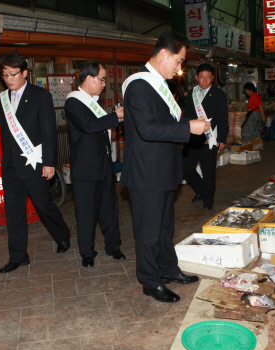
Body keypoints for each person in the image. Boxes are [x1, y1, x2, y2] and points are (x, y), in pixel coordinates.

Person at [121, 31, 211, 303]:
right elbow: (147, 129)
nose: (180, 67)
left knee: (164, 226)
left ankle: (168, 269)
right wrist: (188, 127)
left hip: (162, 170)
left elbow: (165, 124)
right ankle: (150, 281)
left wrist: (190, 126)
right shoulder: (139, 86)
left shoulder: (159, 85)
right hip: (146, 173)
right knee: (148, 232)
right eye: (179, 60)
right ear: (163, 55)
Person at [0, 52, 71, 273]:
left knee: (44, 206)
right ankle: (18, 256)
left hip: (34, 164)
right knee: (14, 212)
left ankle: (62, 236)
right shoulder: (2, 100)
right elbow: (5, 134)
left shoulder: (40, 96)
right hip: (11, 166)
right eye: (5, 75)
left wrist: (50, 163)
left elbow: (49, 131)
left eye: (13, 74)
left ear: (25, 73)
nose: (9, 79)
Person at [65, 60, 126, 268]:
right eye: (101, 79)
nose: (103, 84)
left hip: (104, 165)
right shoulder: (73, 102)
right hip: (85, 168)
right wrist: (115, 117)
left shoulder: (93, 101)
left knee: (109, 209)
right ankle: (87, 252)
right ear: (89, 78)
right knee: (86, 213)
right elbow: (89, 126)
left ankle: (113, 246)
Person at [182, 63, 229, 210]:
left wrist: (222, 138)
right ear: (196, 77)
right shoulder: (191, 93)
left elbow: (222, 118)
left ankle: (208, 199)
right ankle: (201, 191)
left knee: (208, 171)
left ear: (213, 78)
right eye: (202, 77)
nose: (204, 80)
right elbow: (187, 116)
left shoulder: (219, 94)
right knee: (185, 168)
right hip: (192, 139)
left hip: (210, 139)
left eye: (208, 77)